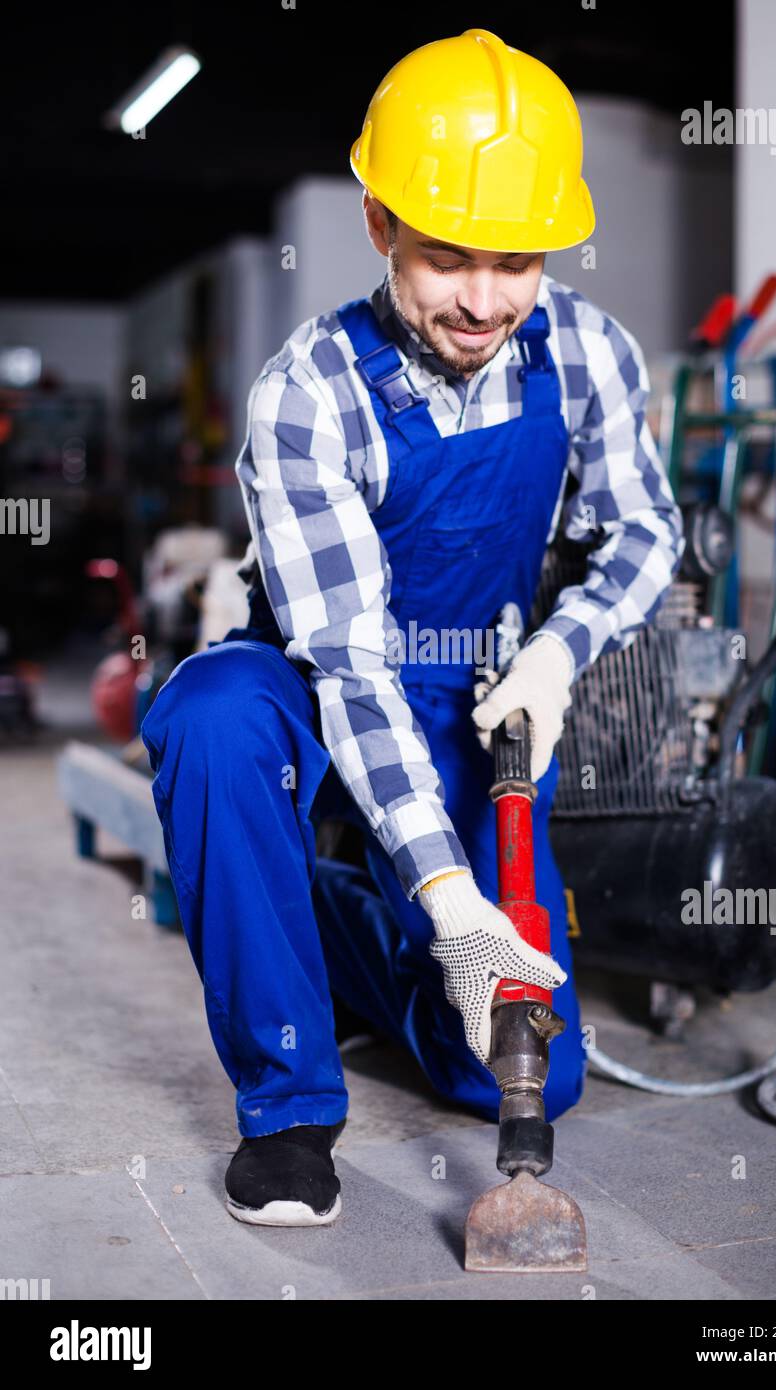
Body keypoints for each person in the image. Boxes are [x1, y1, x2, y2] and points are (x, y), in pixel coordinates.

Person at [141, 27, 684, 1228]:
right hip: (318, 683)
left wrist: (559, 648)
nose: (484, 300)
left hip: (480, 694)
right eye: (448, 257)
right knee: (211, 713)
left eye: (517, 260)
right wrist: (448, 896)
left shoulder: (586, 352)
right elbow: (349, 660)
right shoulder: (309, 391)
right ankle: (288, 1111)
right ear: (381, 223)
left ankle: (338, 917)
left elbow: (646, 536)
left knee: (505, 1063)